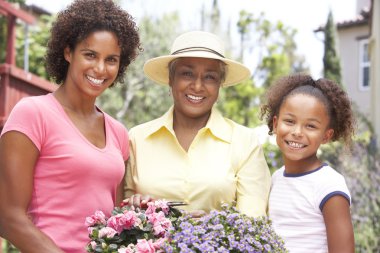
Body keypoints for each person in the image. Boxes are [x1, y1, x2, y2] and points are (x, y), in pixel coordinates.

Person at [0, 0, 141, 252]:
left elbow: (115, 222)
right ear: (68, 52)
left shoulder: (119, 133)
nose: (100, 68)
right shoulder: (33, 114)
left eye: (111, 59)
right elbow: (9, 217)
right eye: (90, 55)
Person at [125, 30, 271, 218]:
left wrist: (210, 231)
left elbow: (253, 222)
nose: (197, 86)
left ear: (220, 84)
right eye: (187, 74)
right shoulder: (137, 138)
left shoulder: (245, 142)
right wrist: (136, 210)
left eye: (210, 77)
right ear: (171, 79)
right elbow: (122, 215)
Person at [260, 74, 355, 253]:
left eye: (310, 126)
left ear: (326, 136)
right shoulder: (276, 178)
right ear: (275, 123)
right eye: (289, 121)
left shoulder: (328, 185)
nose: (297, 132)